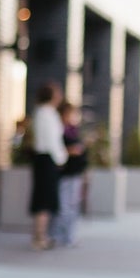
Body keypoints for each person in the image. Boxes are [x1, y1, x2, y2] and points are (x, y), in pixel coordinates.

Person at [30, 81, 66, 249]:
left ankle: (40, 236)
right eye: (57, 93)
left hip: (45, 159)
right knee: (44, 199)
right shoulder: (46, 113)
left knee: (44, 198)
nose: (60, 96)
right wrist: (61, 159)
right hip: (47, 159)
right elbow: (52, 141)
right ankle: (40, 238)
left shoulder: (43, 113)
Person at [52, 98, 86, 246]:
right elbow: (57, 150)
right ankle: (59, 235)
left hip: (76, 173)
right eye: (70, 113)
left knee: (74, 205)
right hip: (64, 173)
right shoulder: (58, 130)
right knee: (63, 205)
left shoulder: (73, 131)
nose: (72, 117)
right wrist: (69, 151)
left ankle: (70, 236)